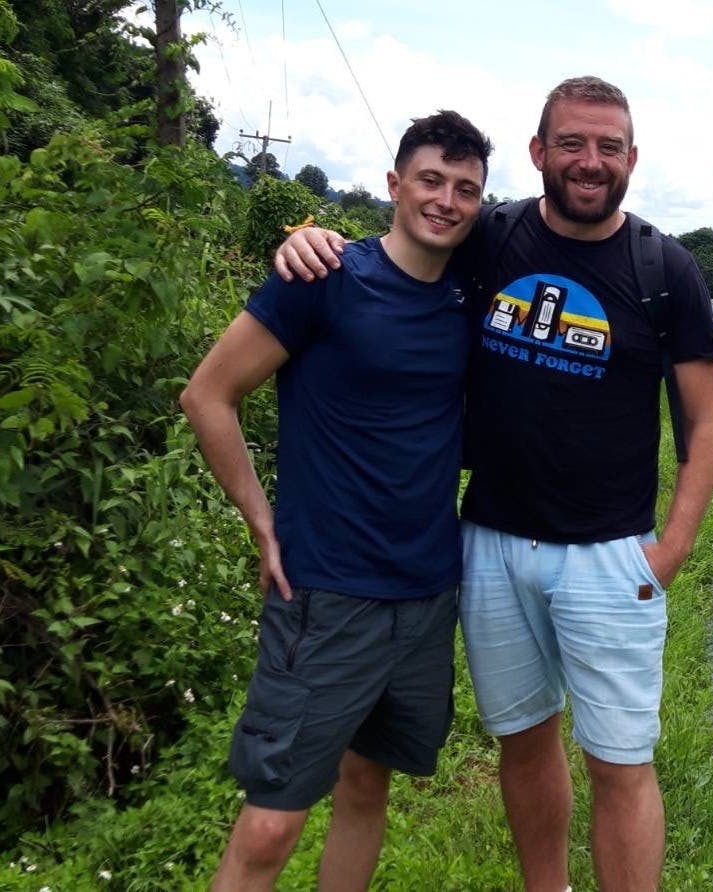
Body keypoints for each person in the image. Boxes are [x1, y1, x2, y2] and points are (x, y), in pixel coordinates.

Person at [278, 76, 713, 892]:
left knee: (620, 763)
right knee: (523, 741)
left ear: (632, 158)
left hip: (609, 556)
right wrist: (313, 240)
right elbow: (407, 241)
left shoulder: (665, 269)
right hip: (488, 542)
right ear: (538, 153)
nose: (589, 162)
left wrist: (673, 547)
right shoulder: (493, 236)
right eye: (571, 144)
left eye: (608, 147)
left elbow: (707, 418)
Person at [181, 109, 492, 891]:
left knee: (366, 784)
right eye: (430, 181)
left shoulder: (467, 297)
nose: (446, 201)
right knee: (270, 823)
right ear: (394, 185)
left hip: (425, 592)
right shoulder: (321, 279)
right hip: (326, 593)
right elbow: (207, 396)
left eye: (465, 188)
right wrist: (262, 525)